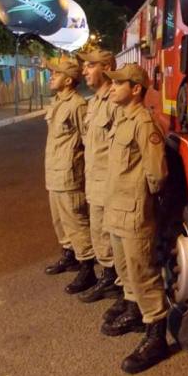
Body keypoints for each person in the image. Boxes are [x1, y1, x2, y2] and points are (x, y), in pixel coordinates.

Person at [101, 63, 169, 374]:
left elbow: (157, 173)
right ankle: (136, 313)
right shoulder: (122, 118)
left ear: (136, 89)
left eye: (119, 84)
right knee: (126, 268)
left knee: (143, 273)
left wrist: (145, 202)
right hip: (116, 208)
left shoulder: (143, 123)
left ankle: (156, 336)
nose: (112, 88)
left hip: (134, 212)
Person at [43, 60, 96, 294]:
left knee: (76, 221)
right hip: (53, 172)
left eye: (56, 74)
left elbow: (88, 141)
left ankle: (87, 267)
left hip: (69, 174)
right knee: (60, 220)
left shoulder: (77, 105)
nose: (51, 77)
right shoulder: (57, 102)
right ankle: (70, 255)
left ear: (68, 80)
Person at [75, 49, 123, 304]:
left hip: (109, 183)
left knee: (112, 236)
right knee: (98, 232)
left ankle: (119, 286)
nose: (84, 71)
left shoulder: (115, 101)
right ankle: (108, 277)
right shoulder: (93, 103)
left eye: (90, 66)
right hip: (94, 179)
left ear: (106, 68)